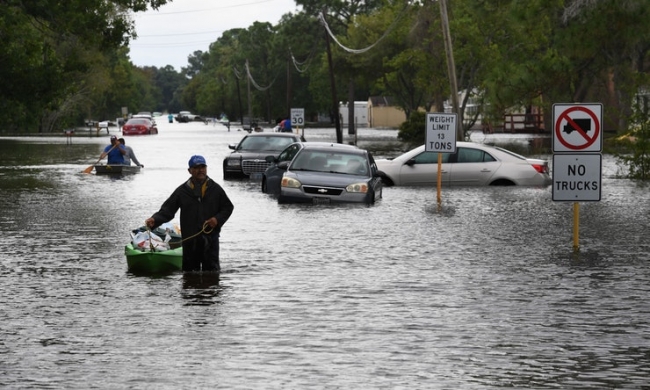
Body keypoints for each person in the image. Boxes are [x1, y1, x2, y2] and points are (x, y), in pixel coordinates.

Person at [145, 155, 234, 272]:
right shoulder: (182, 191)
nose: (201, 170)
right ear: (190, 171)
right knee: (189, 274)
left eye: (203, 167)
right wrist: (154, 219)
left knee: (212, 275)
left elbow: (228, 207)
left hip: (211, 240)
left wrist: (217, 220)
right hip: (190, 241)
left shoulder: (216, 189)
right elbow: (168, 210)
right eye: (197, 167)